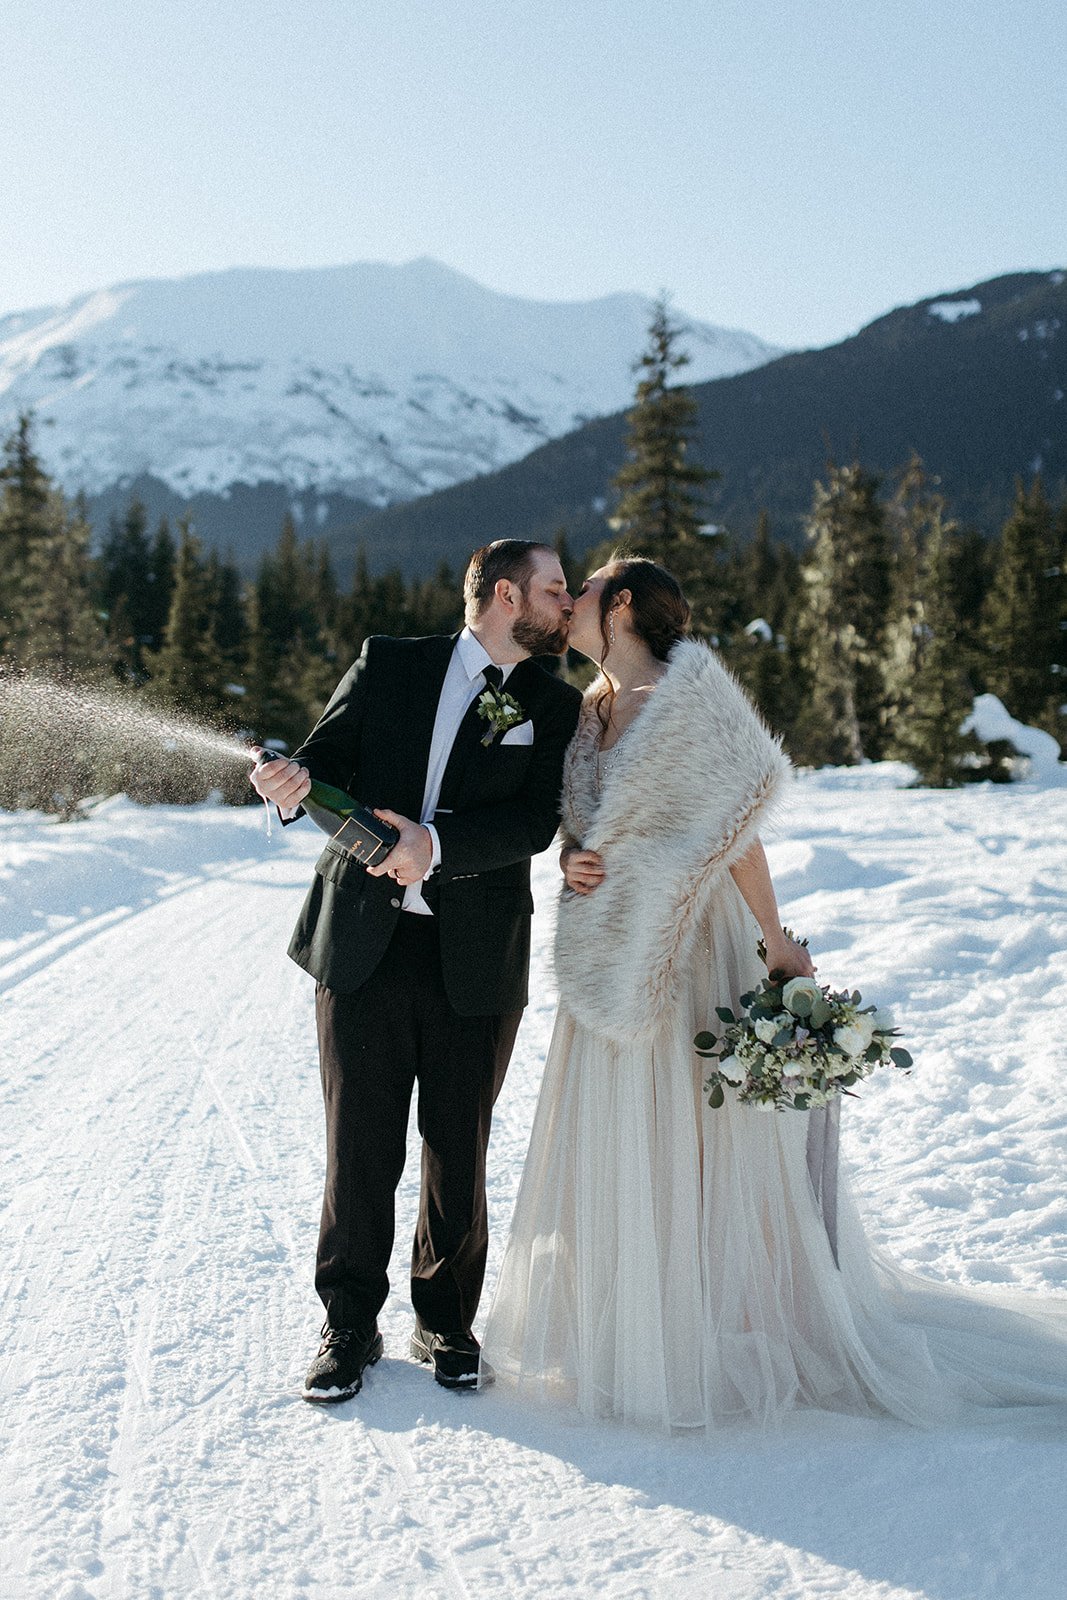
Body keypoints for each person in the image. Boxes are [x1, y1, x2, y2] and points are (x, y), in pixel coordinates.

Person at [481, 555, 1067, 1432]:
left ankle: (716, 1320)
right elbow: (579, 822)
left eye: (588, 590)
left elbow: (739, 837)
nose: (569, 605)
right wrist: (571, 857)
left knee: (695, 1127)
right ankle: (631, 1313)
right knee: (626, 1128)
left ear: (625, 604)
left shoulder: (688, 698)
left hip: (690, 940)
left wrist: (775, 941)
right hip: (610, 946)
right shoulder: (587, 706)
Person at [251, 540, 581, 1402]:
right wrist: (288, 781)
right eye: (555, 589)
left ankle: (445, 1319)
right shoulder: (391, 664)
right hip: (362, 944)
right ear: (506, 596)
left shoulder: (553, 700)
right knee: (358, 1143)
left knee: (456, 1146)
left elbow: (535, 822)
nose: (567, 601)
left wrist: (430, 846)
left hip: (476, 953)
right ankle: (348, 1324)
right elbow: (323, 762)